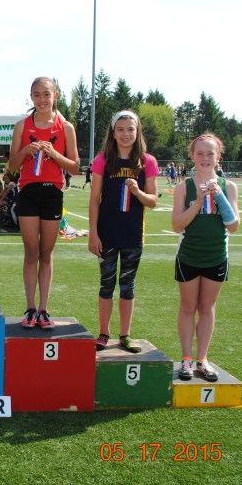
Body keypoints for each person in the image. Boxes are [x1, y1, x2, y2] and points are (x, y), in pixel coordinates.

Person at [8, 76, 80, 328]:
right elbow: (11, 165)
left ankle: (44, 309)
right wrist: (25, 152)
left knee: (46, 253)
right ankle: (29, 308)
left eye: (46, 94)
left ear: (55, 96)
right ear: (31, 97)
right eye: (36, 95)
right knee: (31, 252)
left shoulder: (65, 127)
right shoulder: (22, 126)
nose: (41, 100)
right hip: (28, 192)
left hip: (53, 194)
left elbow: (75, 166)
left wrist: (54, 154)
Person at [87, 110, 159, 353]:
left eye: (130, 129)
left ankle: (125, 335)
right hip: (107, 233)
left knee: (128, 285)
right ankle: (104, 332)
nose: (126, 134)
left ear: (137, 131)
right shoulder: (103, 159)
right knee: (106, 284)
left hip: (132, 234)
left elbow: (153, 200)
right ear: (113, 132)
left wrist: (138, 192)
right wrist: (93, 233)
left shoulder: (146, 161)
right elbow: (94, 199)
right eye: (121, 129)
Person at [172, 133, 240, 382]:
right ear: (192, 157)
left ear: (218, 157)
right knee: (188, 307)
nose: (204, 158)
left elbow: (233, 225)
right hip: (189, 256)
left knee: (207, 308)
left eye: (210, 153)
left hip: (216, 257)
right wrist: (198, 202)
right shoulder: (183, 187)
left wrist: (218, 196)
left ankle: (203, 358)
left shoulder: (229, 186)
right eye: (199, 153)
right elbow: (176, 224)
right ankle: (187, 359)